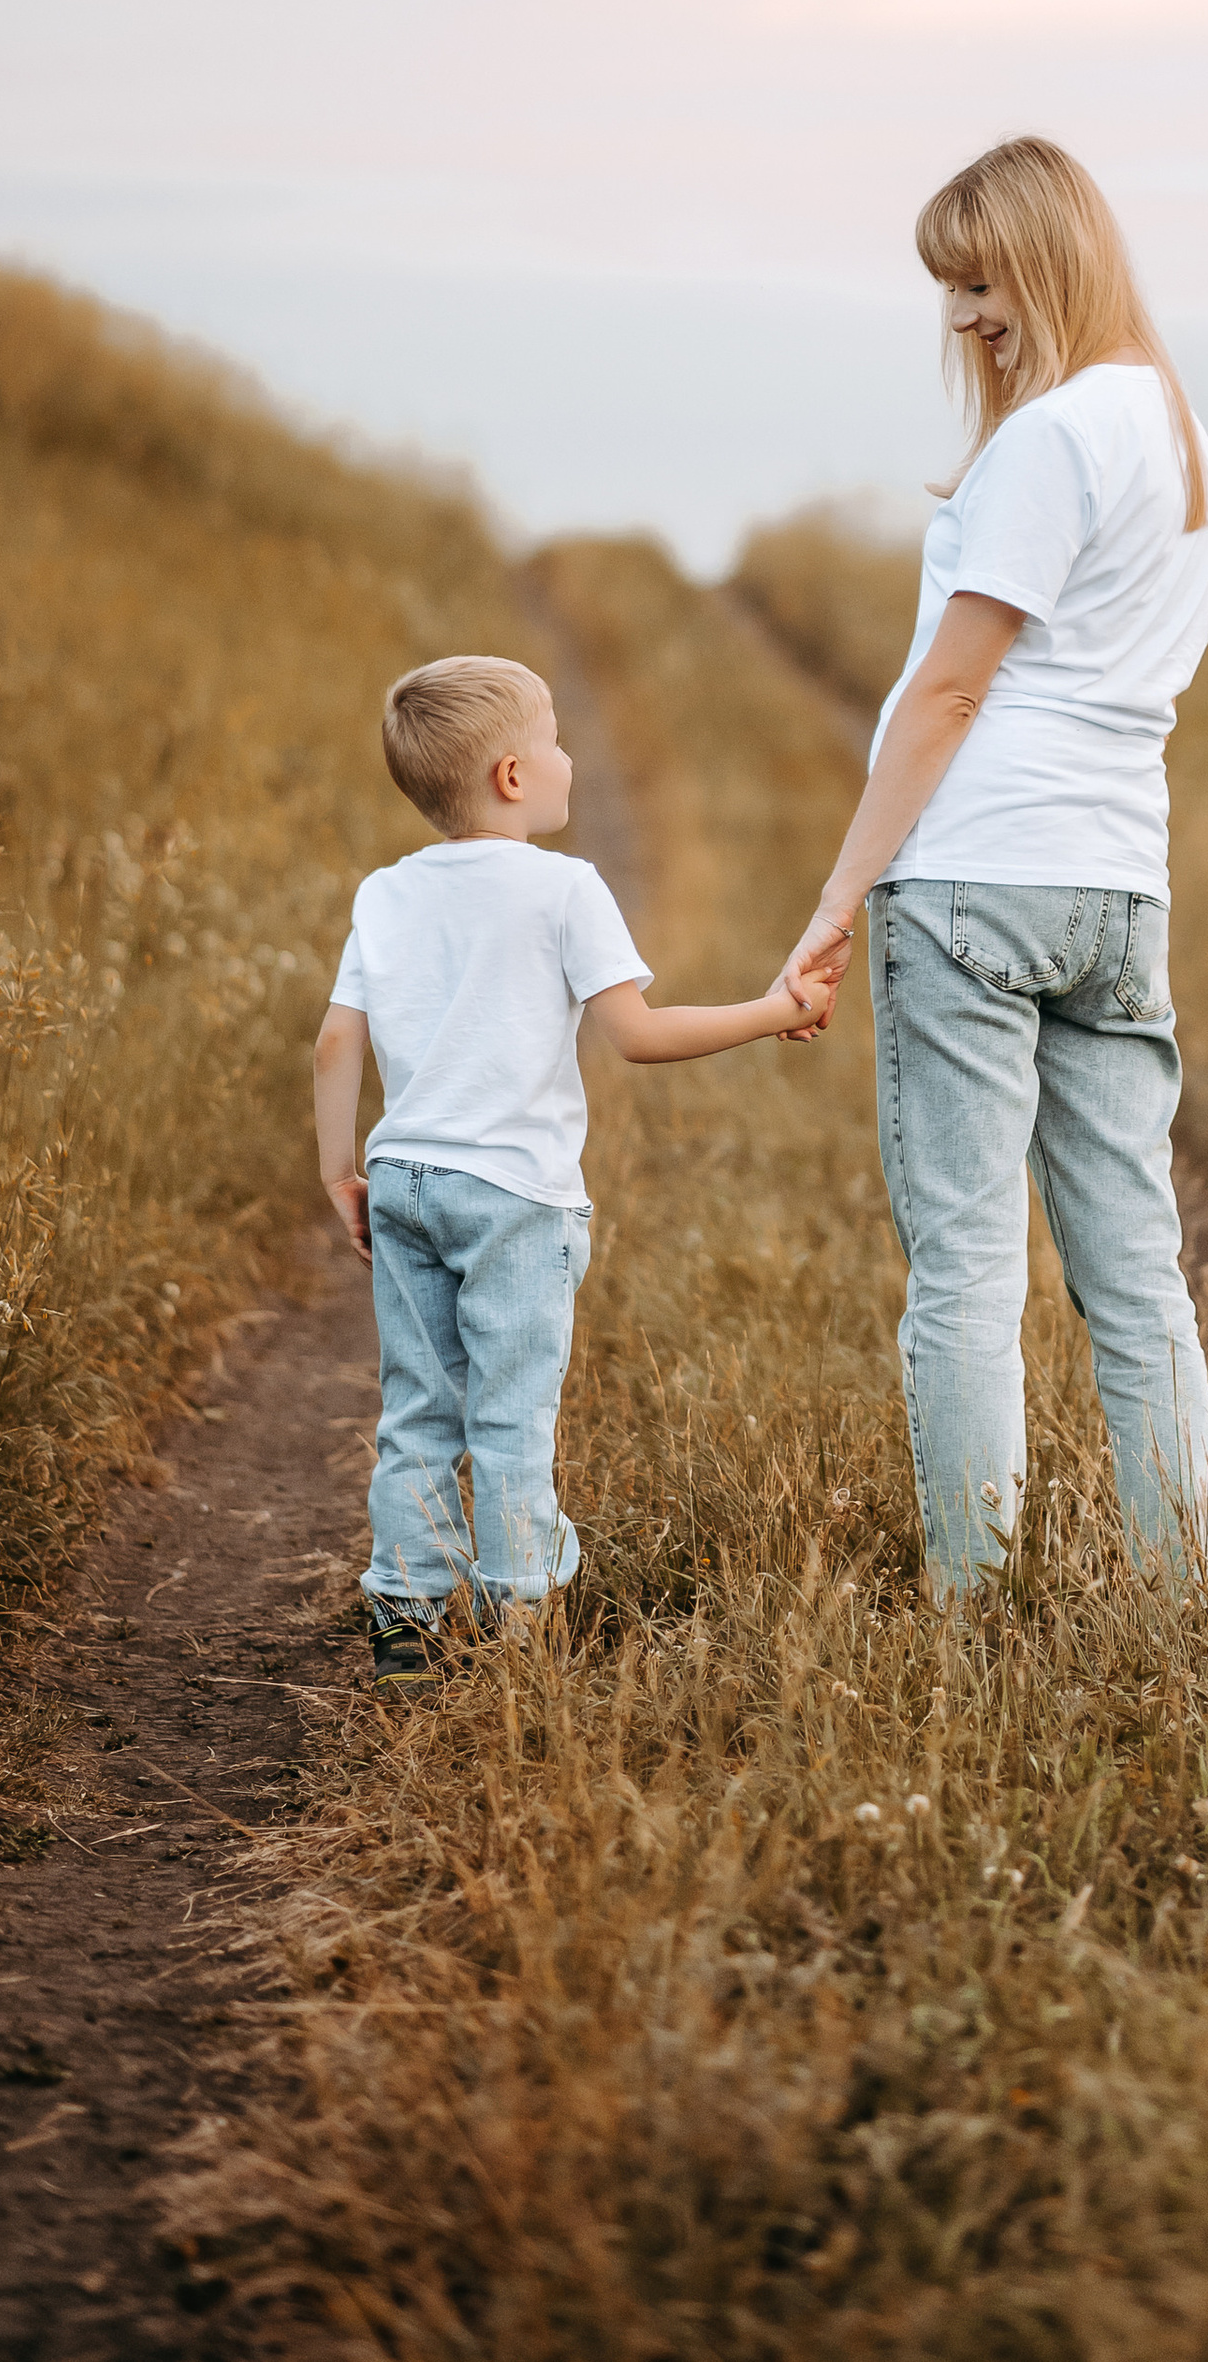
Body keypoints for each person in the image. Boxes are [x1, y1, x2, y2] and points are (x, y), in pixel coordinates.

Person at [777, 135, 1208, 1597]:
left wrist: (842, 894)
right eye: (950, 286)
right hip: (1118, 886)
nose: (963, 314)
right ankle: (1184, 1613)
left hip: (975, 876)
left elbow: (952, 691)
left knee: (967, 1272)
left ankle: (975, 1620)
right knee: (1136, 1277)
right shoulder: (1179, 434)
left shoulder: (1051, 436)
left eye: (981, 280)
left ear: (1049, 260)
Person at [314, 653, 824, 1694]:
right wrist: (775, 1010)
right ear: (512, 776)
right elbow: (636, 1034)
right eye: (553, 738)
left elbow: (334, 1044)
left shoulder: (386, 892)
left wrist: (340, 1171)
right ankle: (516, 1621)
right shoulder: (563, 889)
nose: (568, 756)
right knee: (510, 1414)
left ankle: (404, 1620)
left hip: (404, 1177)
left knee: (417, 1408)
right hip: (514, 1199)